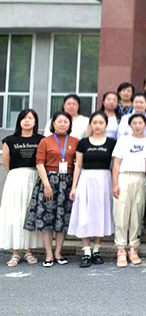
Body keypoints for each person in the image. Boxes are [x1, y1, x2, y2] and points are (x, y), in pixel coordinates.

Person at [24, 111, 79, 267]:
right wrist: (47, 185)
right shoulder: (45, 141)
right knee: (47, 218)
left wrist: (74, 186)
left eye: (65, 121)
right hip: (48, 181)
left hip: (67, 182)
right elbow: (39, 163)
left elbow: (78, 164)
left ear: (69, 124)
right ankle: (48, 254)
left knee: (62, 219)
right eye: (59, 121)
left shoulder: (75, 141)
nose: (62, 124)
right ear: (53, 123)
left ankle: (58, 252)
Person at [68, 111, 115, 267]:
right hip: (86, 179)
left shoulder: (111, 143)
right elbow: (78, 165)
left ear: (106, 125)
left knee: (100, 213)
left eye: (101, 123)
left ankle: (96, 250)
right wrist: (73, 187)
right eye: (94, 122)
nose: (97, 126)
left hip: (104, 180)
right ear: (90, 125)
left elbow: (114, 165)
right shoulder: (83, 143)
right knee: (85, 213)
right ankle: (86, 250)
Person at [111, 113, 146, 267]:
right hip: (124, 177)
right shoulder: (123, 140)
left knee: (137, 212)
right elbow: (116, 163)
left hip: (141, 177)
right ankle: (121, 249)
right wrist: (115, 184)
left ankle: (133, 248)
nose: (137, 126)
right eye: (134, 123)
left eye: (140, 123)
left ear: (145, 125)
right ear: (130, 125)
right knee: (121, 213)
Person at [0, 109, 43, 266]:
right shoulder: (9, 140)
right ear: (19, 121)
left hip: (34, 177)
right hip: (16, 179)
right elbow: (6, 164)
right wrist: (18, 175)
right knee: (15, 213)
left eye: (30, 118)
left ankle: (29, 251)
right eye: (24, 118)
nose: (27, 121)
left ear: (35, 122)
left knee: (29, 213)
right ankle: (15, 253)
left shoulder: (41, 140)